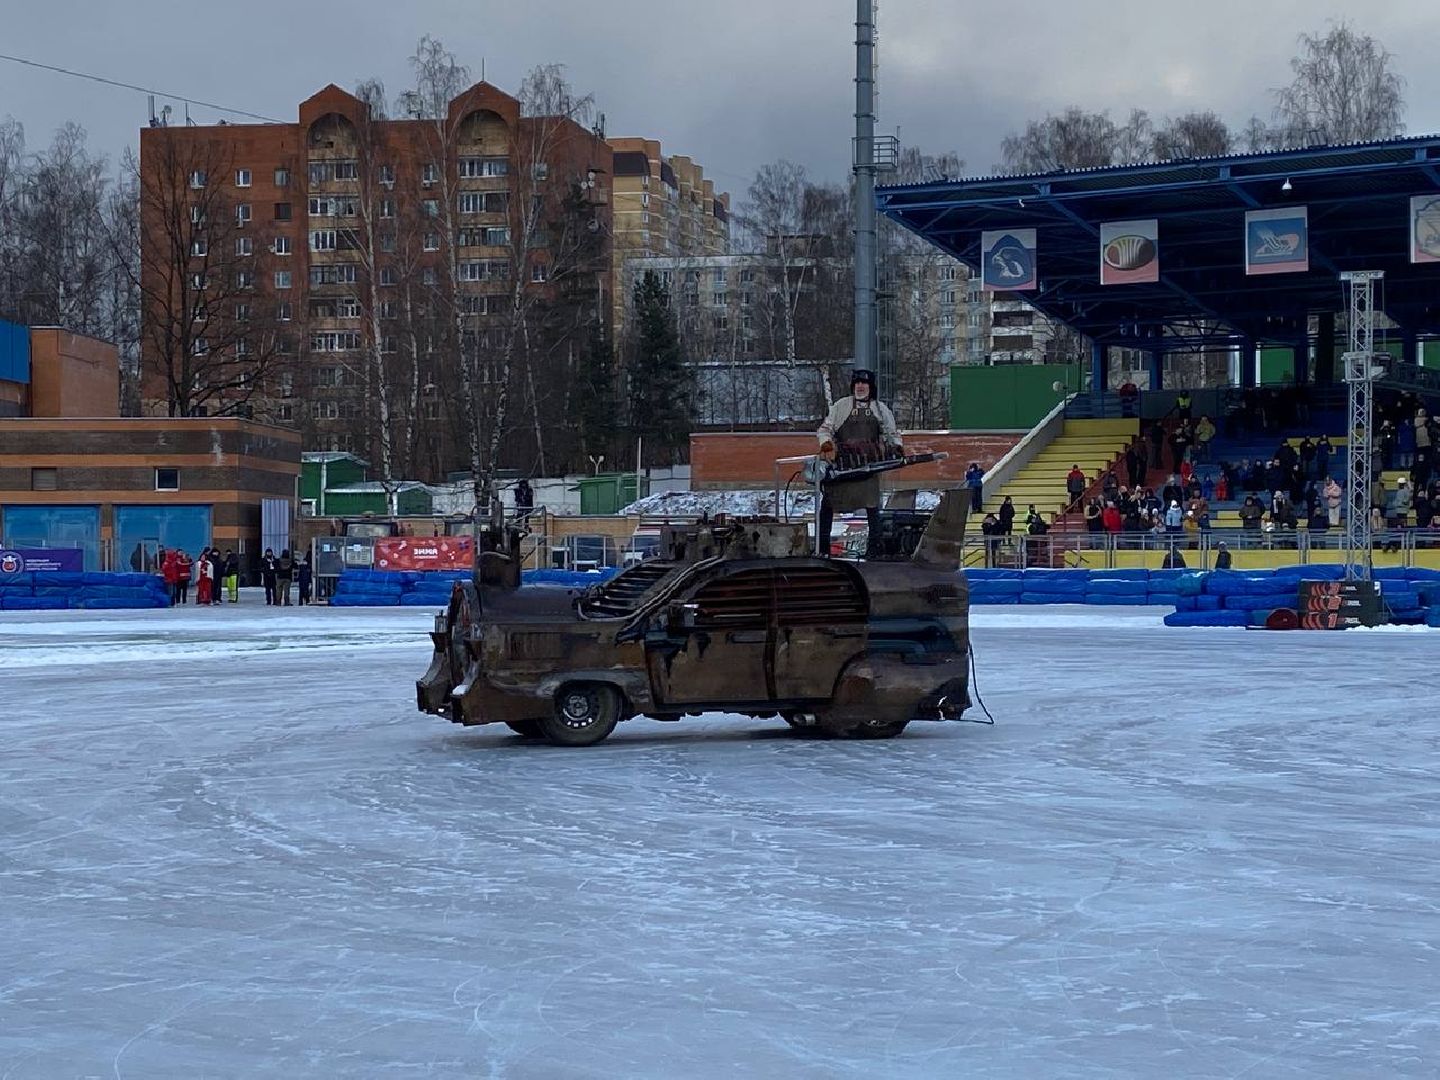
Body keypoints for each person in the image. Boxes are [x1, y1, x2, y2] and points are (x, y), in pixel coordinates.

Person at [814, 368, 902, 555]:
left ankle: (874, 551)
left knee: (872, 508)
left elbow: (892, 434)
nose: (860, 387)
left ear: (871, 387)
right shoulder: (841, 406)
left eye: (864, 383)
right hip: (842, 467)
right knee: (828, 505)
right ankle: (822, 550)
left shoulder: (880, 409)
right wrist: (827, 445)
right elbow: (824, 430)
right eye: (857, 383)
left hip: (867, 468)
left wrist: (896, 447)